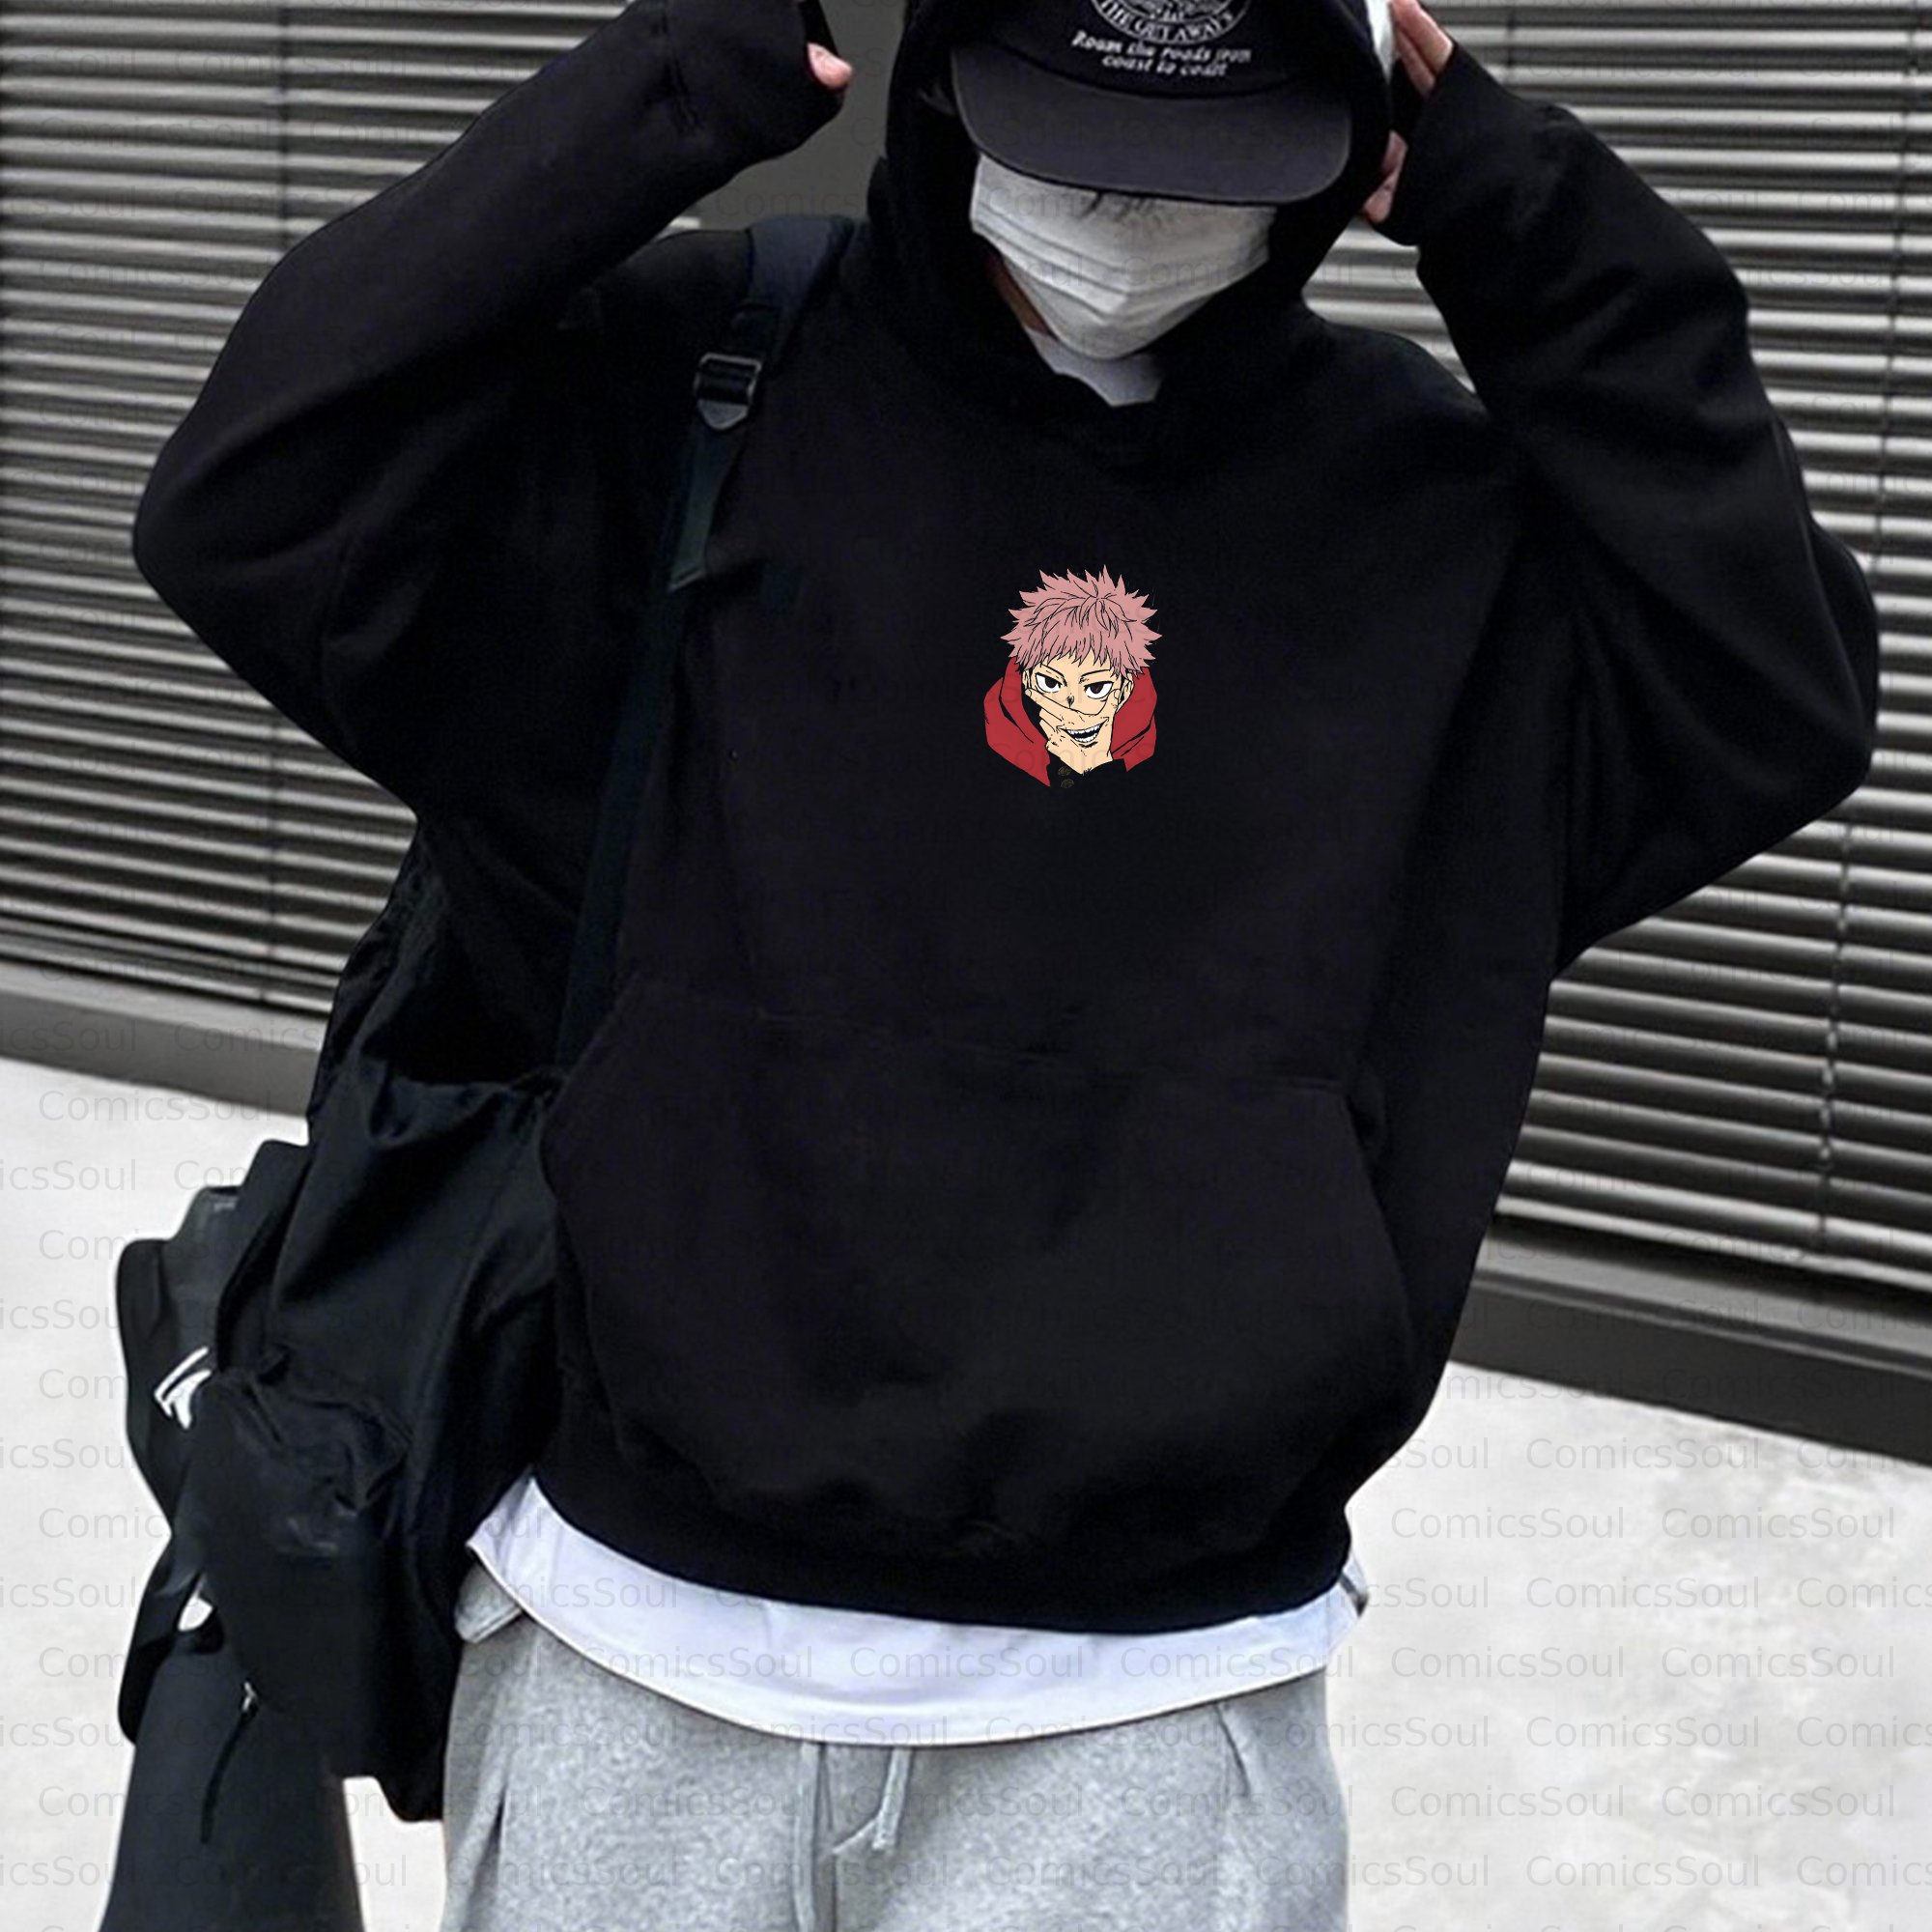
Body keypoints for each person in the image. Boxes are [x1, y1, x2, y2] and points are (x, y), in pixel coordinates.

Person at [128, 0, 1881, 1922]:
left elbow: (1771, 685)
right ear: (949, 71)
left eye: (1196, 155)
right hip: (635, 1652)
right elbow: (253, 494)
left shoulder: (1428, 516)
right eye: (1081, 135)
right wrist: (701, 66)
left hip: (1151, 1712)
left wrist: (1498, 189)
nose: (1126, 212)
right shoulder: (703, 383)